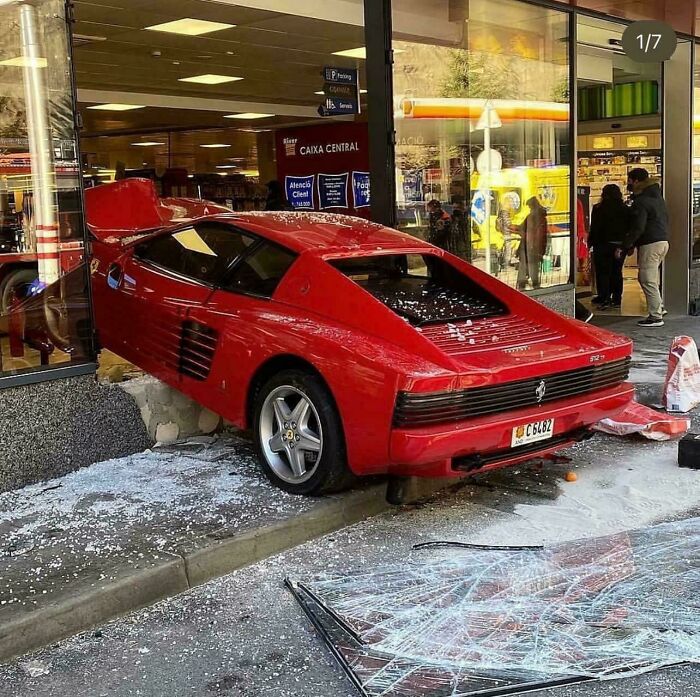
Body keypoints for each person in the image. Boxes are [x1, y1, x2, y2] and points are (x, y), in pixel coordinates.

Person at [619, 168, 669, 327]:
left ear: (635, 181)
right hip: (662, 241)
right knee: (651, 277)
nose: (628, 184)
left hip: (650, 243)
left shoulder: (642, 201)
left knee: (647, 279)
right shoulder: (657, 197)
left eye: (629, 181)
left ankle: (655, 316)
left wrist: (627, 245)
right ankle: (658, 307)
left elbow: (638, 227)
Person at [588, 184, 629, 309]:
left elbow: (594, 228)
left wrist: (590, 243)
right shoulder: (625, 209)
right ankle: (617, 298)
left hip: (602, 245)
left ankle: (604, 297)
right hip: (619, 245)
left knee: (602, 272)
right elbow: (629, 228)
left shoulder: (598, 208)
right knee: (617, 272)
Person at [516, 197, 548, 291]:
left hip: (530, 246)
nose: (529, 208)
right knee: (533, 267)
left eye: (530, 206)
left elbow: (524, 229)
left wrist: (511, 228)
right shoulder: (542, 217)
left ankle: (524, 285)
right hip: (537, 246)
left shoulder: (532, 217)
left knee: (526, 267)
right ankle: (534, 284)